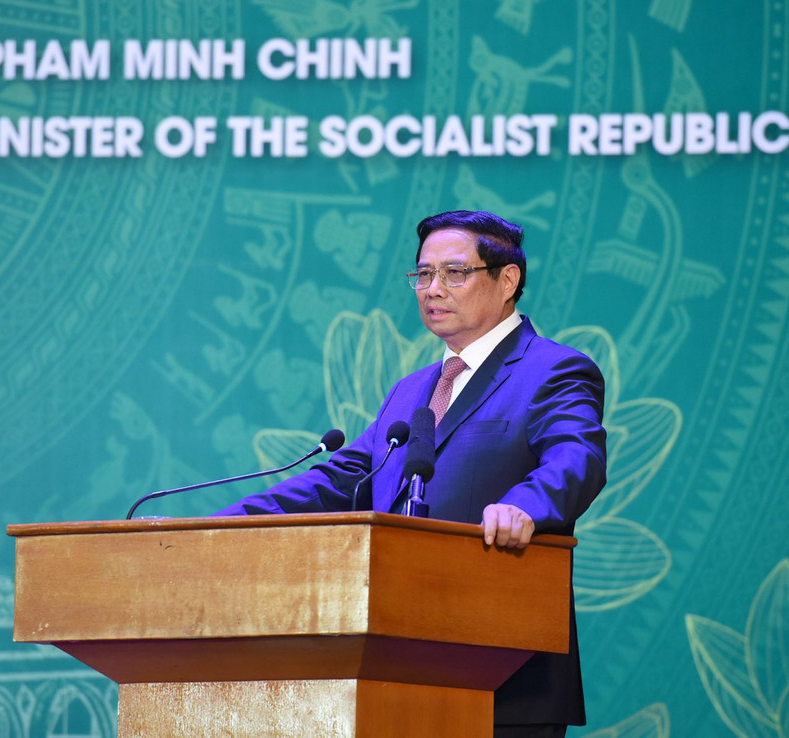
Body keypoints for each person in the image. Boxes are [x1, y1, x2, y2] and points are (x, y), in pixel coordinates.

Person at [215, 210, 607, 737]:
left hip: (502, 679)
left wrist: (525, 506)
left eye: (454, 272)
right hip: (395, 674)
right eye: (423, 274)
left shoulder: (552, 370)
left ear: (507, 279)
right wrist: (217, 527)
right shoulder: (411, 390)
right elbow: (340, 480)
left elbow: (576, 458)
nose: (433, 289)